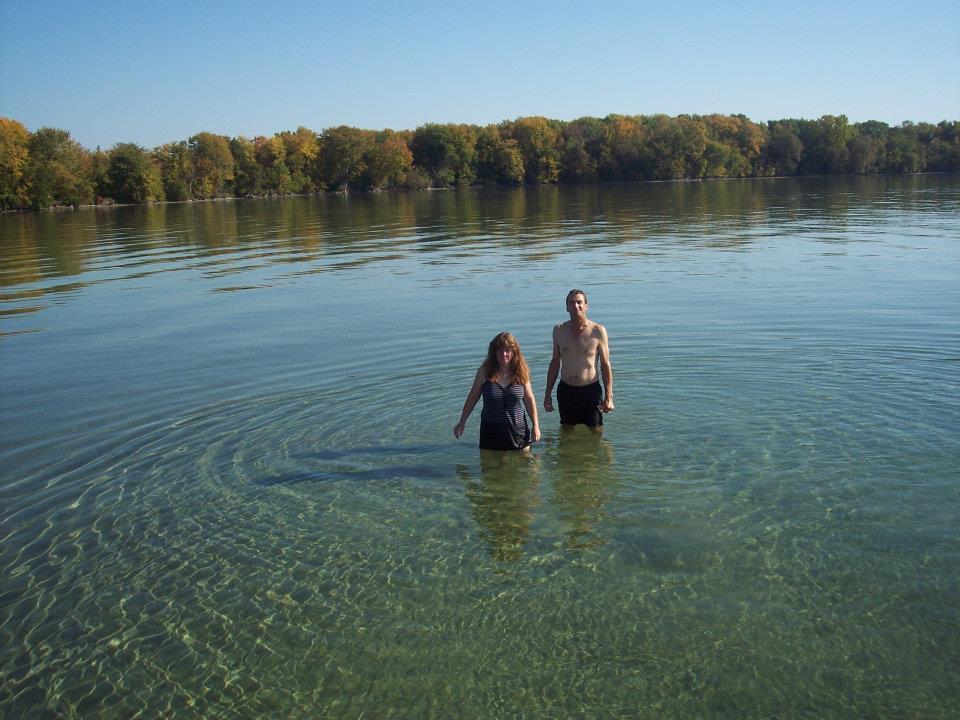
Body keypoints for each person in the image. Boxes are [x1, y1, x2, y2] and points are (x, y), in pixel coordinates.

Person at [454, 332, 541, 450]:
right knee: (491, 466)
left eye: (507, 350)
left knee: (524, 466)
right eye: (500, 350)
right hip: (491, 430)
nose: (504, 354)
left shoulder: (521, 371)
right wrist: (462, 422)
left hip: (517, 430)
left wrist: (535, 425)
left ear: (514, 351)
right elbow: (473, 397)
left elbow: (529, 399)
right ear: (494, 352)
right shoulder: (484, 371)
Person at [543, 289, 614, 427]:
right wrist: (547, 394)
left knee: (595, 432)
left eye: (579, 302)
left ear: (586, 306)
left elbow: (605, 365)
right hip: (566, 390)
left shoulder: (598, 331)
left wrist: (608, 396)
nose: (576, 306)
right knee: (566, 432)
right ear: (567, 308)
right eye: (571, 303)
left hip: (591, 391)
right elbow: (555, 363)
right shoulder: (559, 330)